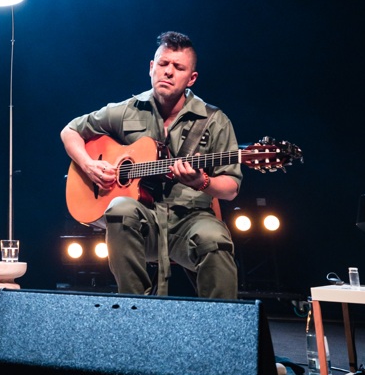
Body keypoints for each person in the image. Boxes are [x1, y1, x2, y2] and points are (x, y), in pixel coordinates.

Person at [60, 31, 242, 299]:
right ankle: (135, 310)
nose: (168, 72)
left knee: (215, 241)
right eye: (163, 64)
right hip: (143, 222)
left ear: (191, 78)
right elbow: (70, 130)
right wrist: (88, 165)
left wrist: (201, 182)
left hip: (190, 220)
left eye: (178, 67)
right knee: (120, 208)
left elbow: (230, 188)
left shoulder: (214, 120)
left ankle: (222, 328)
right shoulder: (127, 110)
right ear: (151, 67)